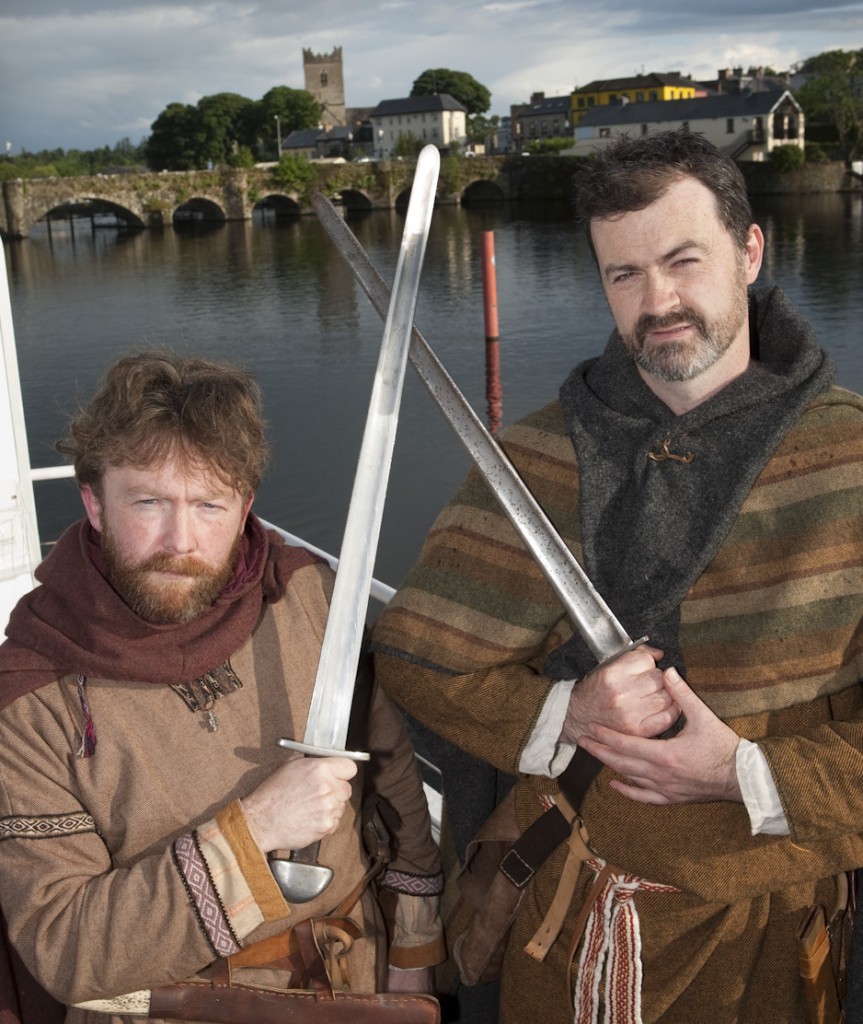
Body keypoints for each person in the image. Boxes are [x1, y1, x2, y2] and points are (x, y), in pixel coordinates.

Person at [371, 128, 863, 1024]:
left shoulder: (851, 458)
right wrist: (566, 715)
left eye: (683, 260)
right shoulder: (535, 452)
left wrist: (746, 775)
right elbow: (415, 656)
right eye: (622, 274)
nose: (657, 301)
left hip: (772, 945)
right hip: (561, 927)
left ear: (749, 251)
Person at [0, 351, 444, 1024]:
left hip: (348, 981)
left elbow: (393, 781)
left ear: (245, 507)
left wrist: (413, 957)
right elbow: (67, 949)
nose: (181, 540)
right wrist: (254, 831)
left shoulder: (305, 596)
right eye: (148, 501)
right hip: (167, 1007)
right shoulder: (31, 697)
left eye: (209, 504)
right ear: (93, 501)